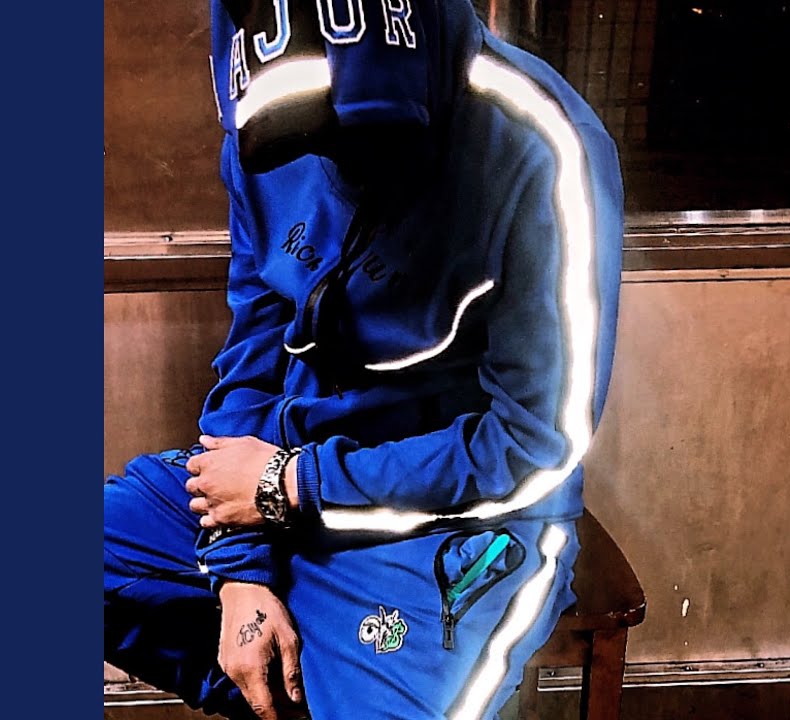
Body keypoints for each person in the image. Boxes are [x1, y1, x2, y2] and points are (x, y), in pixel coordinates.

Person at [103, 1, 624, 718]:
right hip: (276, 475)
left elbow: (535, 446)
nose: (338, 160)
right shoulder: (259, 119)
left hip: (455, 517)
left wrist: (291, 486)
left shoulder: (541, 150)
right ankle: (300, 684)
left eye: (361, 131)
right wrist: (238, 565)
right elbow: (253, 352)